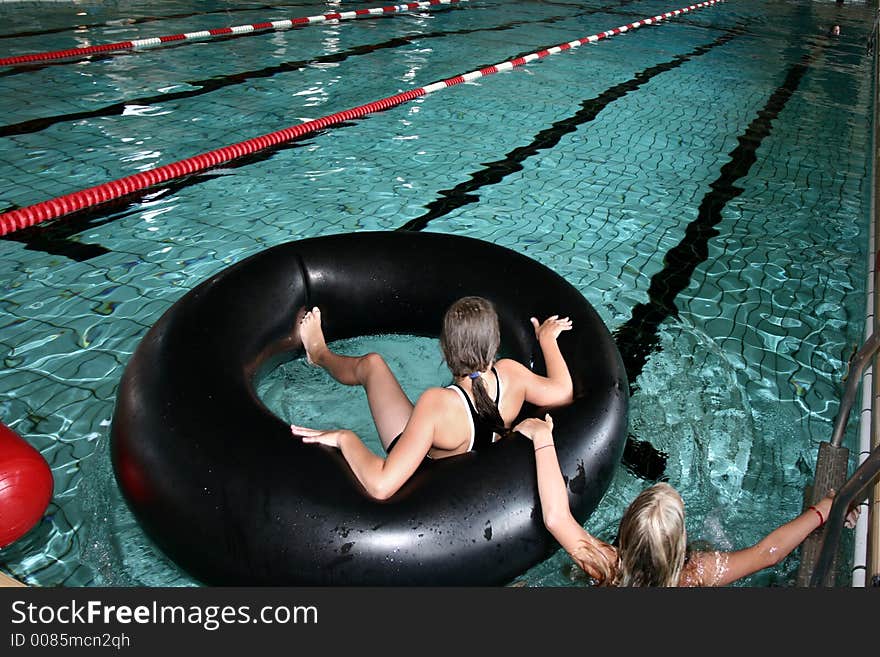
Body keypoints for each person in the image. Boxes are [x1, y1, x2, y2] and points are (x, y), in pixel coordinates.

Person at [514, 414, 861, 586]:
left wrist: (543, 438)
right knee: (715, 533)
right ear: (678, 544)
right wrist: (824, 509)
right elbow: (767, 553)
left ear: (626, 527)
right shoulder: (696, 574)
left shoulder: (606, 564)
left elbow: (556, 517)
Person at [291, 296, 575, 500]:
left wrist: (345, 438)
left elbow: (381, 485)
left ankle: (319, 354)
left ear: (444, 349)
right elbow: (563, 392)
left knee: (371, 365)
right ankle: (319, 355)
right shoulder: (513, 376)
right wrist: (547, 340)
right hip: (465, 463)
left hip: (423, 471)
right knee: (375, 365)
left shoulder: (436, 404)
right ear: (496, 345)